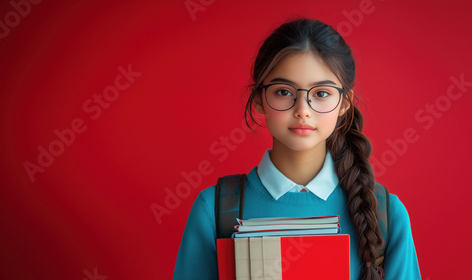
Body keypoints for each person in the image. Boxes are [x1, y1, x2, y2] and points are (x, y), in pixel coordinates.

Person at [173, 18, 421, 280]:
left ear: (345, 102)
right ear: (258, 98)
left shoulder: (385, 213)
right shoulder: (213, 209)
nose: (302, 110)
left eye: (321, 93)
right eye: (283, 91)